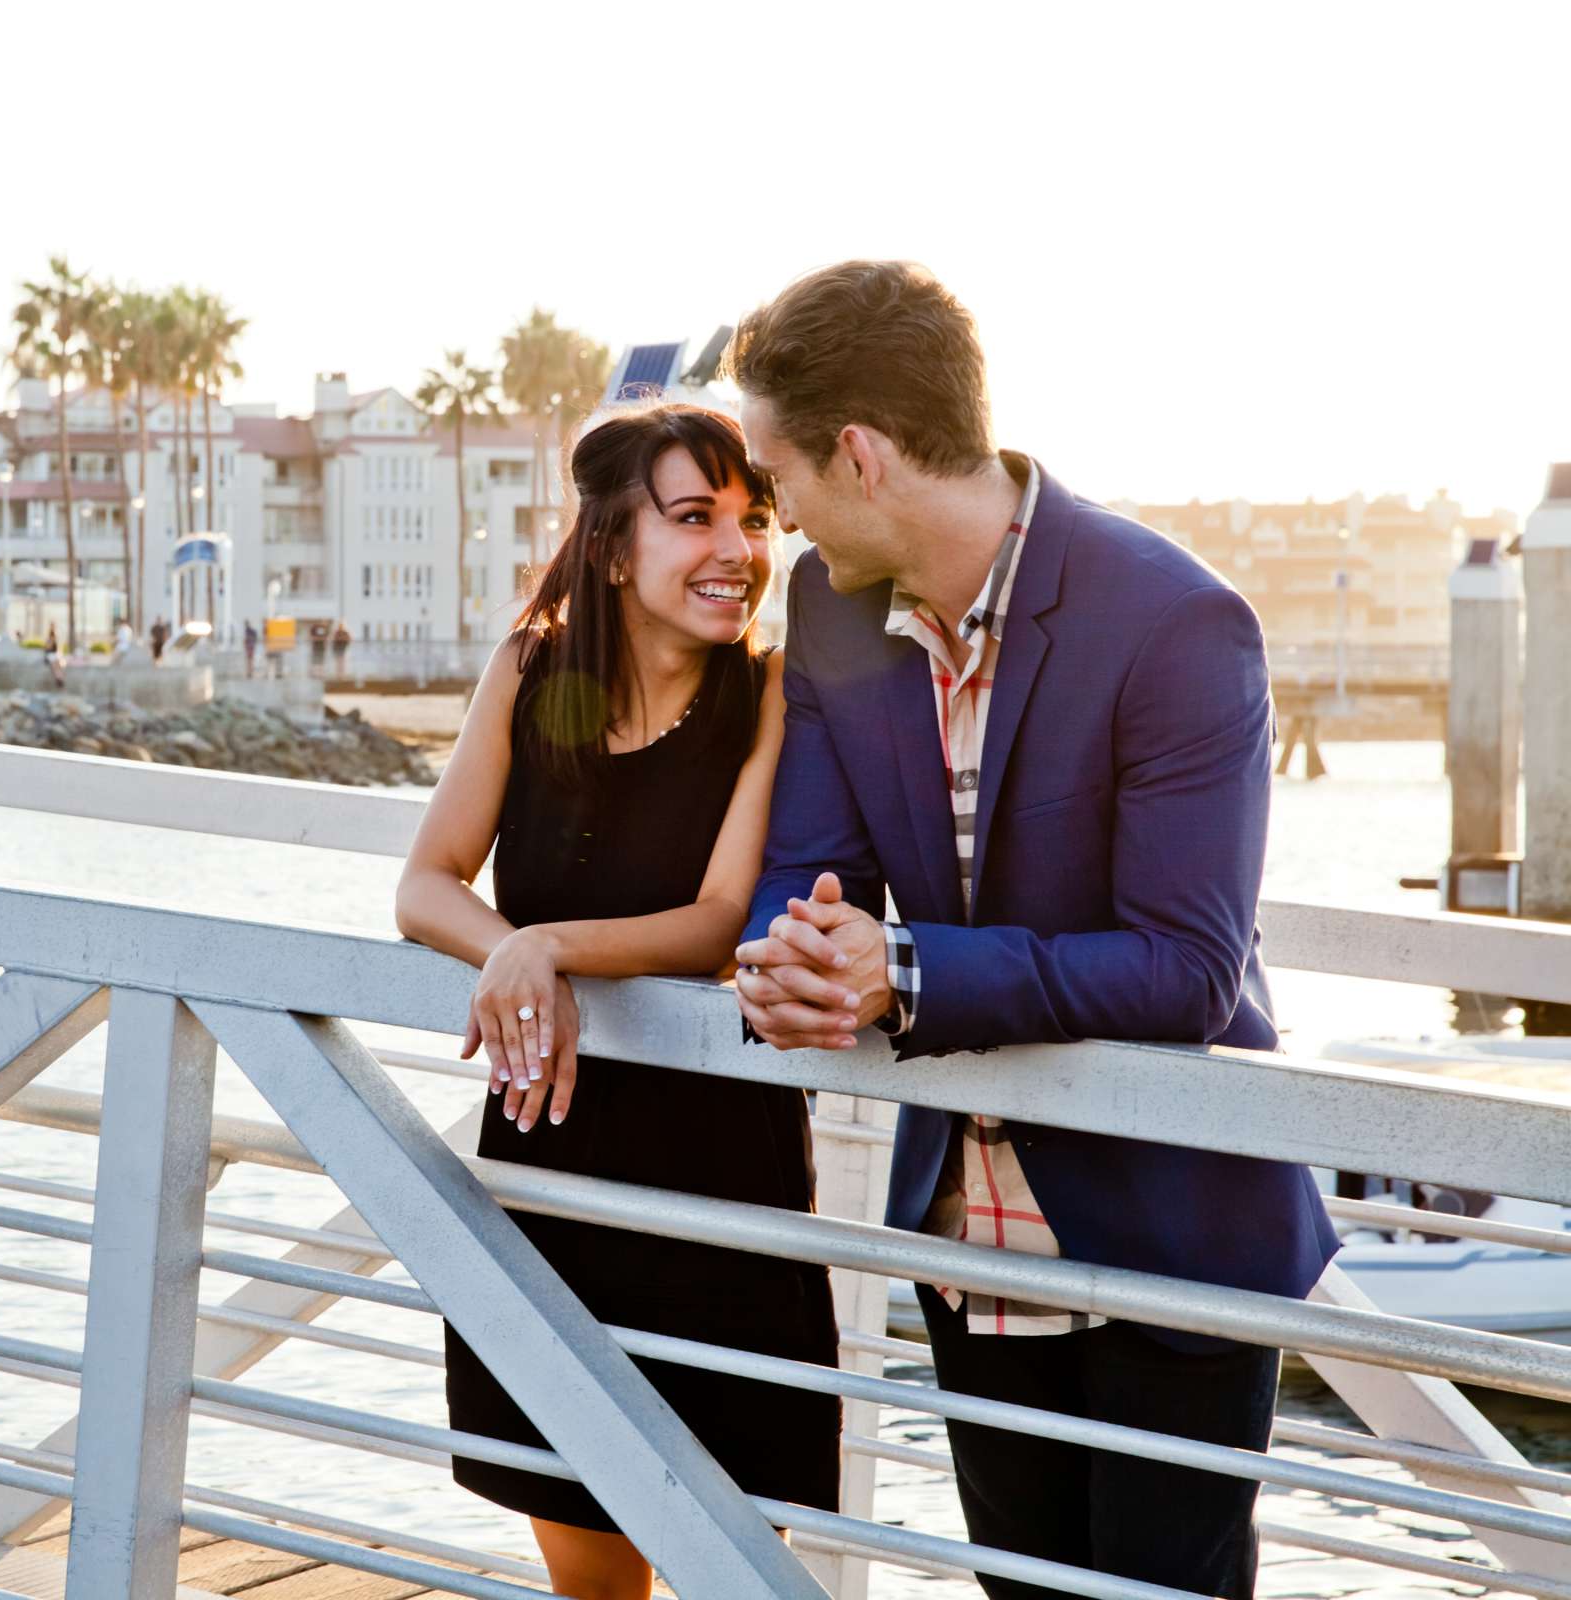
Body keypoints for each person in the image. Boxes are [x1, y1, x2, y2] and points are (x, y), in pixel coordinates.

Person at [727, 261, 1337, 1599]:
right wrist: (788, 959)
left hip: (1169, 1232)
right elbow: (808, 869)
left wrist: (899, 972)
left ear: (863, 456)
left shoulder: (1176, 622)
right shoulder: (831, 606)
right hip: (964, 1230)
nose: (772, 525)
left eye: (778, 481)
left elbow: (1186, 969)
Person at [395, 403, 835, 1600]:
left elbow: (716, 917)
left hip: (721, 1186)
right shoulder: (531, 672)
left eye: (751, 519)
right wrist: (513, 953)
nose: (735, 550)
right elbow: (426, 886)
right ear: (609, 543)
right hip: (552, 1161)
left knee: (735, 1563)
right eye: (694, 518)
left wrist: (544, 944)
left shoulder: (771, 695)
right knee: (591, 1578)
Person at [43, 621, 67, 689]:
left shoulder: (54, 637)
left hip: (54, 655)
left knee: (58, 667)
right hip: (52, 655)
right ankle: (59, 679)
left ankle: (60, 679)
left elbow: (53, 648)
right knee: (56, 667)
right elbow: (47, 648)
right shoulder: (50, 638)